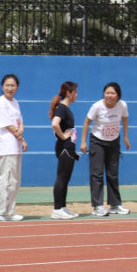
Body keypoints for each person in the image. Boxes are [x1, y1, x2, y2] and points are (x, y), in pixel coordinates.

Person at [80, 82, 131, 216]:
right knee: (97, 173)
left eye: (112, 93)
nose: (109, 95)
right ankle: (98, 206)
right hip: (97, 141)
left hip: (114, 142)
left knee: (113, 173)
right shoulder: (97, 106)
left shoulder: (122, 105)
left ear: (118, 95)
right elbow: (86, 123)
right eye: (107, 93)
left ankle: (115, 204)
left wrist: (126, 136)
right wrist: (83, 141)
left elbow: (125, 119)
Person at [0, 74, 28, 221]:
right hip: (6, 146)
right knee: (6, 180)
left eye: (13, 85)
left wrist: (22, 129)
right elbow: (8, 125)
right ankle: (1, 211)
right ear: (2, 87)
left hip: (15, 146)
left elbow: (19, 122)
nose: (10, 88)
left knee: (14, 181)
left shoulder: (15, 102)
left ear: (17, 87)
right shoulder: (1, 102)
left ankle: (10, 212)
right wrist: (22, 139)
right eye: (7, 85)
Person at [50, 82, 80, 220]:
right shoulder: (61, 108)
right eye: (75, 92)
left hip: (69, 147)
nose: (77, 95)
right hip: (64, 147)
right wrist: (63, 136)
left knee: (65, 179)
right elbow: (54, 124)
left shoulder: (65, 108)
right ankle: (57, 209)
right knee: (62, 178)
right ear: (69, 93)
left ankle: (62, 207)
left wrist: (73, 148)